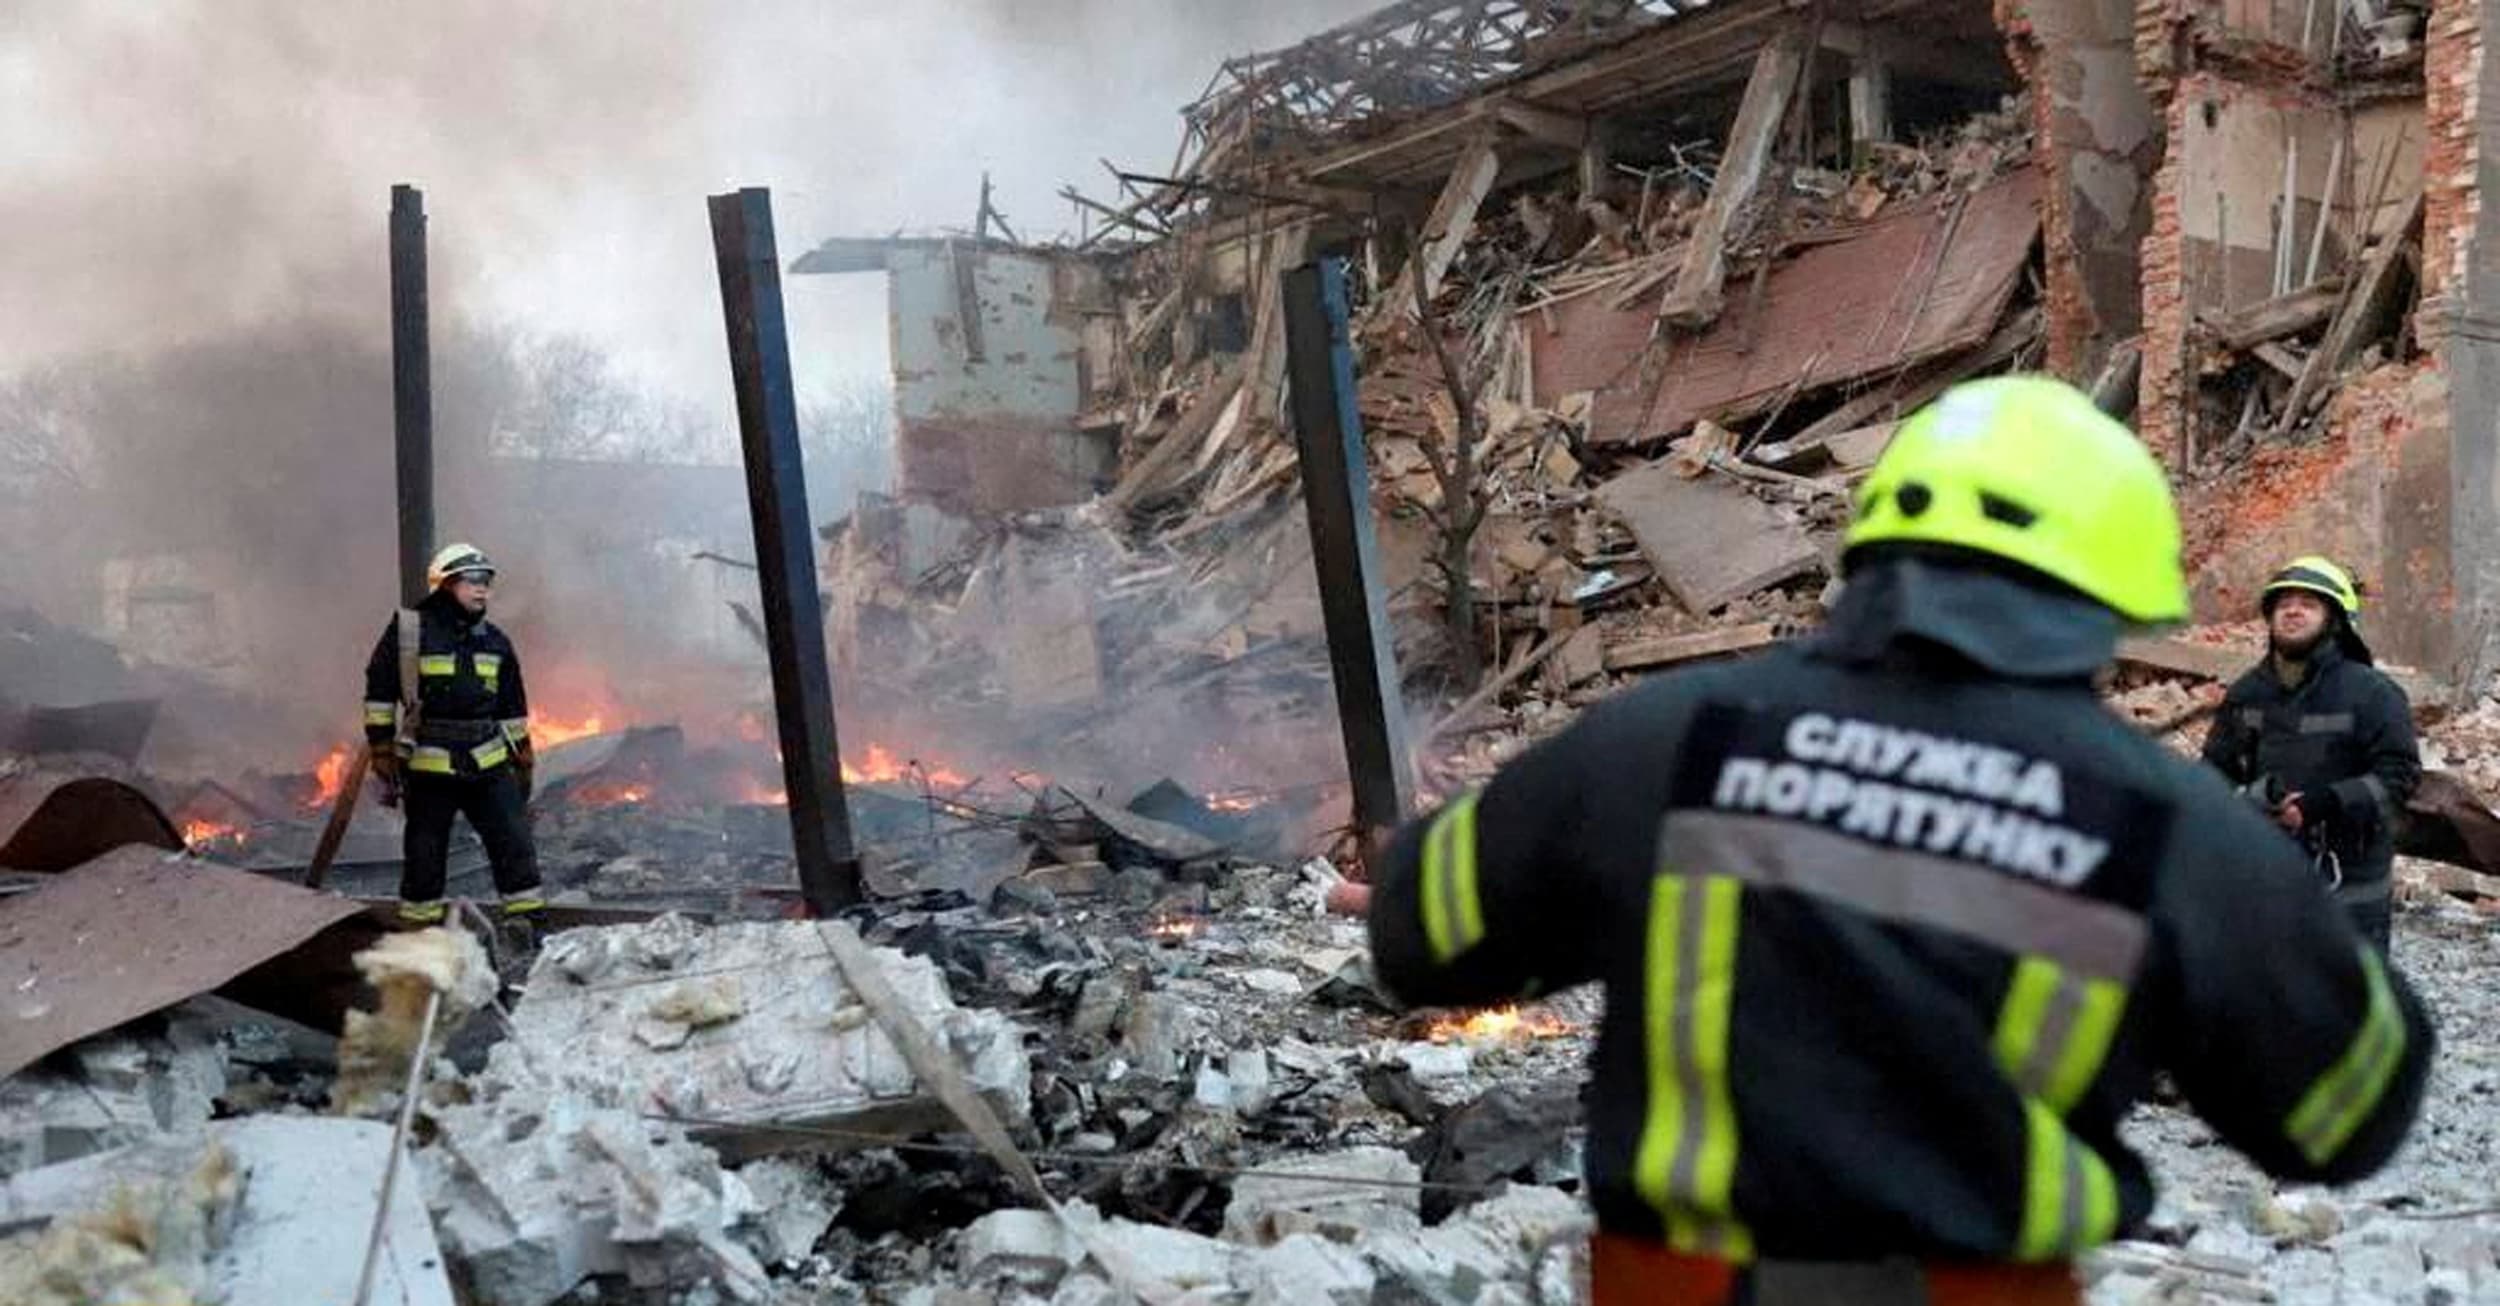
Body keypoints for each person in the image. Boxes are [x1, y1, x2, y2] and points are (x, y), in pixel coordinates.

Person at [1366, 377, 2433, 1306]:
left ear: (1872, 543)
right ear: (2109, 601)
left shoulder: (1663, 739)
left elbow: (1421, 934)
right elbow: (2350, 1112)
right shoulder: (2165, 828)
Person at [2200, 555, 2420, 951]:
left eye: (2308, 603)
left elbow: (2399, 775)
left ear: (2334, 619)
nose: (2293, 611)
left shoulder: (2372, 693)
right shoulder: (2248, 693)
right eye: (2284, 604)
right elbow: (2215, 772)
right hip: (2266, 870)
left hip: (2351, 881)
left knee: (2349, 998)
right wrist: (2243, 805)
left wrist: (2323, 804)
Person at [364, 542, 543, 927]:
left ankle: (525, 925)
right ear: (445, 584)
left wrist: (523, 756)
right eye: (473, 581)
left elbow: (512, 706)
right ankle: (421, 929)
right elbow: (379, 691)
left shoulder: (494, 640)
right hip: (431, 764)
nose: (482, 590)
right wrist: (380, 746)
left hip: (489, 760)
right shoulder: (409, 633)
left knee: (514, 841)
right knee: (425, 851)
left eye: (487, 583)